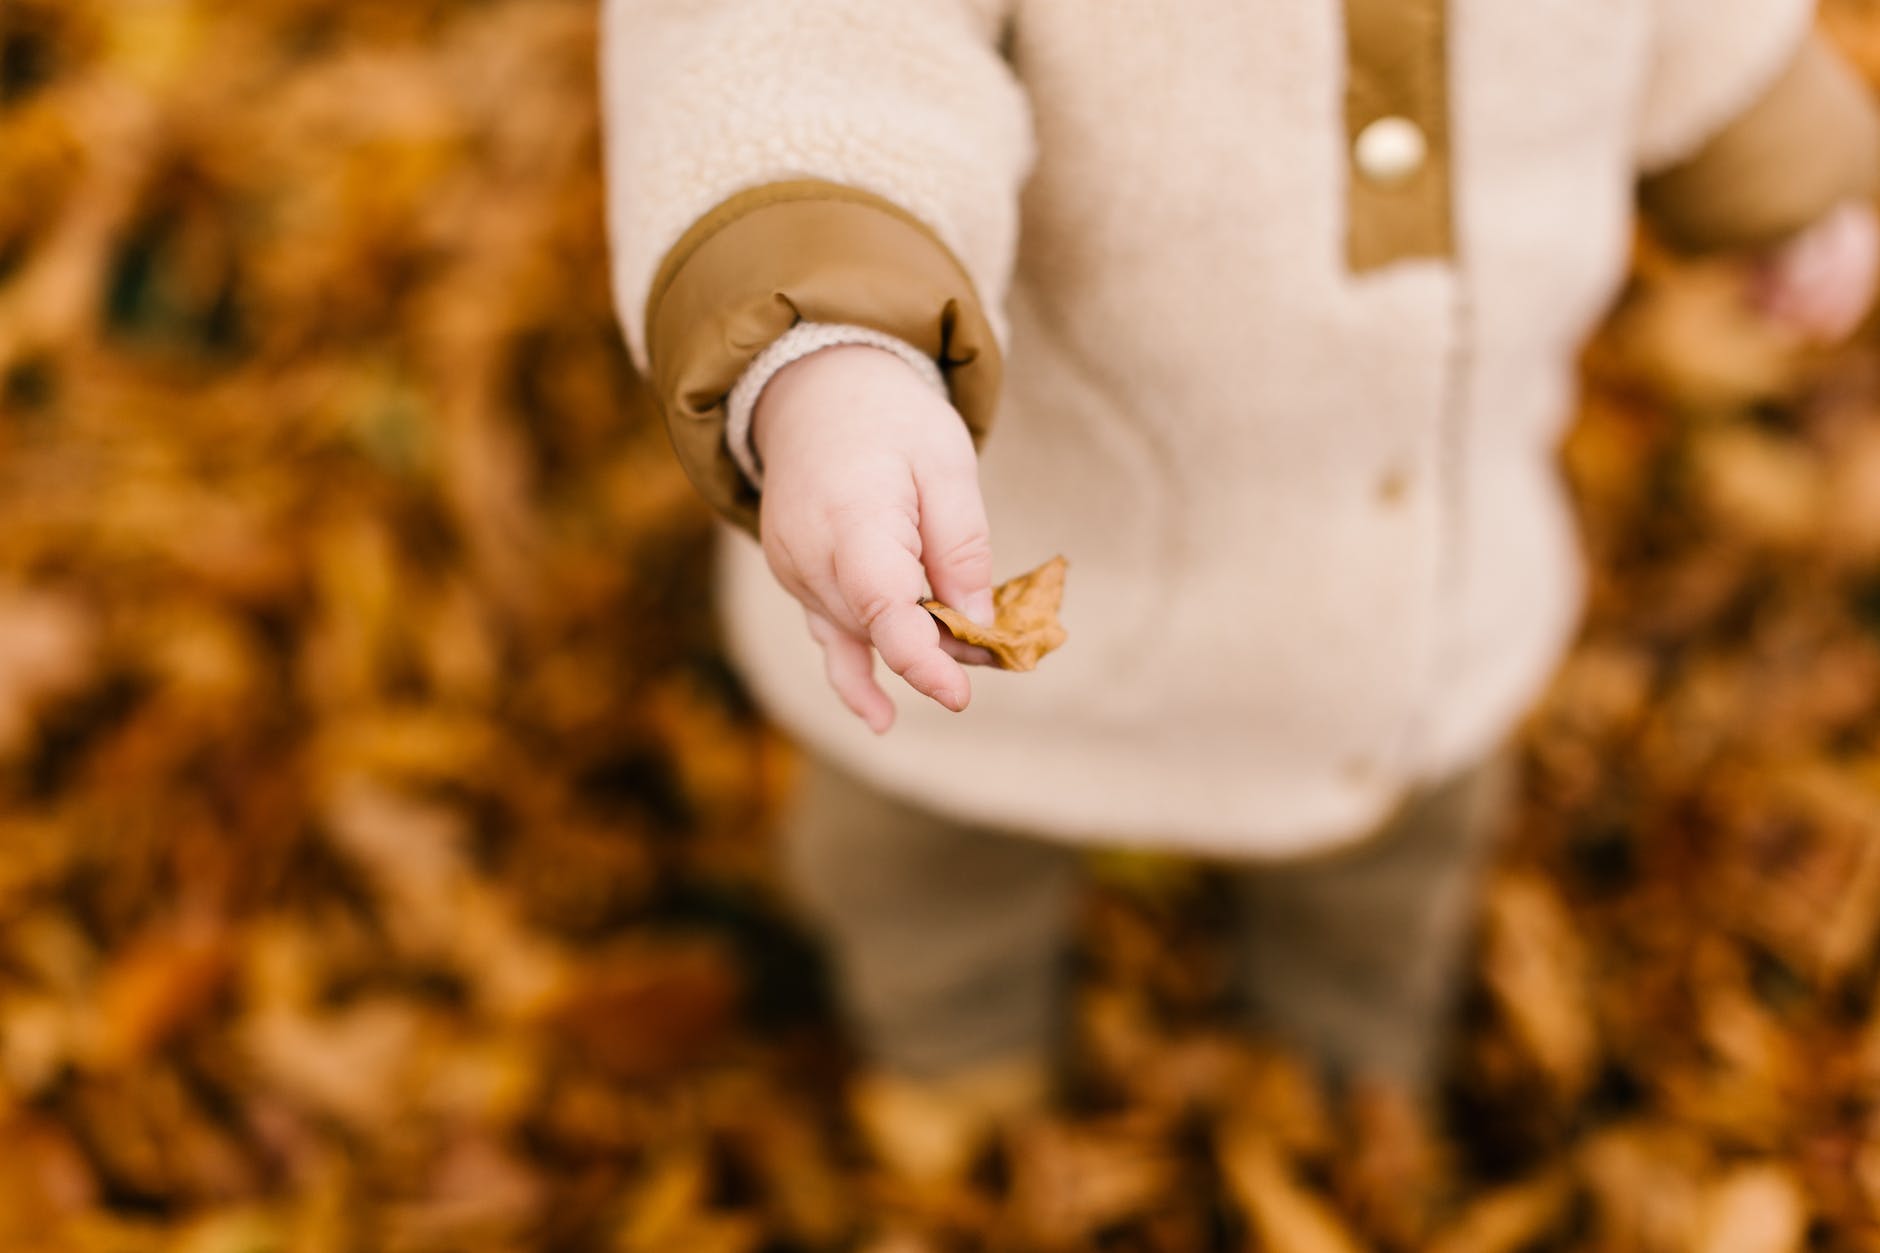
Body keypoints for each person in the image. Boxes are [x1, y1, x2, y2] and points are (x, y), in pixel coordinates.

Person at [600, 0, 1880, 1178]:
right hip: (975, 549)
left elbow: (1697, 25)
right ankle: (954, 1054)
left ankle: (1344, 1083)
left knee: (1389, 864)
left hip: (1404, 567)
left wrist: (1779, 170)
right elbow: (806, 37)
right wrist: (832, 346)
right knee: (926, 860)